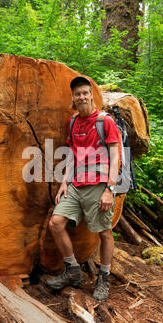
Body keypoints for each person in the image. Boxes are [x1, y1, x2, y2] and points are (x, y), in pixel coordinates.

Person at [46, 76, 120, 301]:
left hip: (99, 185)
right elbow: (72, 155)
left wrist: (110, 189)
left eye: (85, 93)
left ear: (92, 96)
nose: (81, 97)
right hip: (76, 183)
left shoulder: (105, 122)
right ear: (73, 98)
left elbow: (116, 157)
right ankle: (73, 271)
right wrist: (64, 181)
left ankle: (103, 278)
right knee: (56, 223)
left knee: (105, 233)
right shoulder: (73, 122)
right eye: (77, 94)